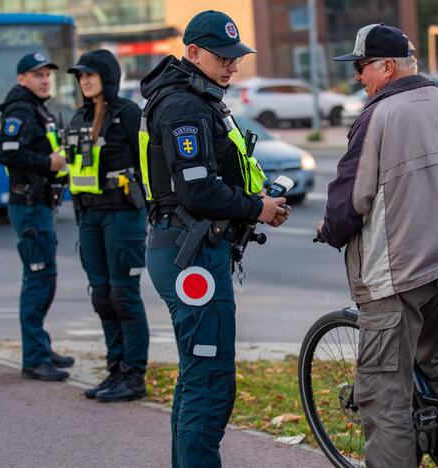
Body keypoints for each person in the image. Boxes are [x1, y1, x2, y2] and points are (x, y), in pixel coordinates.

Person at [315, 24, 438, 467]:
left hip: (397, 274)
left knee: (383, 393)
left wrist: (330, 229)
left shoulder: (377, 116)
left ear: (387, 67)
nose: (359, 78)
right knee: (435, 358)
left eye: (361, 68)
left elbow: (350, 199)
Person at [139, 10, 289, 467]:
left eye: (236, 56)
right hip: (192, 254)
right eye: (223, 57)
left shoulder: (197, 97)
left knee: (196, 375)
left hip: (190, 247)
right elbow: (197, 189)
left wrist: (253, 197)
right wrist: (255, 208)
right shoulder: (184, 104)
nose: (232, 65)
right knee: (210, 381)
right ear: (193, 53)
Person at [66, 50, 150, 402]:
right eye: (80, 75)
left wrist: (153, 209)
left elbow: (149, 164)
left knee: (123, 296)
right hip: (90, 217)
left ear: (108, 77)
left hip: (123, 215)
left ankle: (133, 376)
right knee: (101, 296)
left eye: (91, 74)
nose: (84, 80)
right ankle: (114, 370)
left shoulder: (128, 114)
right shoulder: (78, 119)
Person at [0, 52, 74, 381]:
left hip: (40, 204)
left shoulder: (36, 108)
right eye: (37, 75)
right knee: (38, 281)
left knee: (44, 279)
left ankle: (40, 346)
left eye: (47, 74)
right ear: (22, 79)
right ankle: (34, 358)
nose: (44, 80)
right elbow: (7, 152)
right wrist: (49, 164)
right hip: (29, 205)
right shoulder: (20, 109)